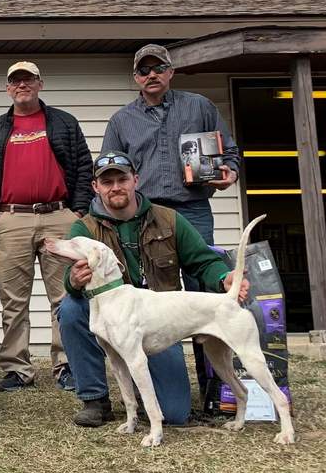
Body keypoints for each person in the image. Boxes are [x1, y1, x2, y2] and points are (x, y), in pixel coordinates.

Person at [57, 151, 247, 427]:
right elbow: (70, 277)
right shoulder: (84, 228)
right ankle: (95, 399)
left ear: (135, 180)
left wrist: (223, 278)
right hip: (111, 316)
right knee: (71, 309)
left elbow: (203, 260)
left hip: (156, 321)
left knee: (174, 413)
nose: (115, 187)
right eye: (107, 182)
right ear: (95, 187)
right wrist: (73, 281)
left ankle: (142, 386)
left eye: (122, 179)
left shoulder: (169, 219)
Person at [101, 44, 243, 399]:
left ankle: (214, 390)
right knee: (152, 293)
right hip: (145, 213)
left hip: (192, 209)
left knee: (203, 293)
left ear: (170, 72)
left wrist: (229, 172)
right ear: (135, 77)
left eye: (158, 68)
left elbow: (230, 152)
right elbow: (109, 169)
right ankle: (155, 382)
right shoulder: (121, 121)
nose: (151, 74)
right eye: (144, 70)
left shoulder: (200, 106)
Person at [0, 61, 93, 393]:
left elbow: (85, 167)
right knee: (13, 301)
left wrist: (78, 213)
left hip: (59, 216)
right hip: (11, 220)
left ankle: (67, 364)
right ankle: (17, 369)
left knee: (66, 295)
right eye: (15, 81)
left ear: (40, 83)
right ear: (7, 88)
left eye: (28, 79)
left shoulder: (64, 123)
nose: (22, 85)